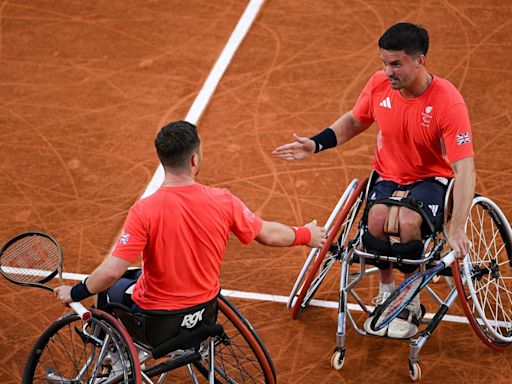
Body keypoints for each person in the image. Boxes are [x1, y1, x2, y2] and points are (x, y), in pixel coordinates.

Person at [272, 22, 475, 339]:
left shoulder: (448, 102)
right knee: (377, 221)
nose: (387, 71)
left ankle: (409, 299)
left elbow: (465, 169)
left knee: (407, 223)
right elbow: (355, 120)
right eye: (384, 63)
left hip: (430, 178)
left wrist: (458, 224)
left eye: (396, 64)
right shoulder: (380, 84)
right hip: (388, 173)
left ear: (420, 60)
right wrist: (316, 144)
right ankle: (387, 290)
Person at [54, 120, 326, 313]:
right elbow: (268, 233)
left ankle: (113, 361)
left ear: (162, 160)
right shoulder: (223, 200)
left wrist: (76, 292)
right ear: (194, 159)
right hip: (203, 310)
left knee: (109, 288)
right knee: (132, 277)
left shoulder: (144, 211)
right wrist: (306, 234)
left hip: (157, 317)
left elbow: (111, 271)